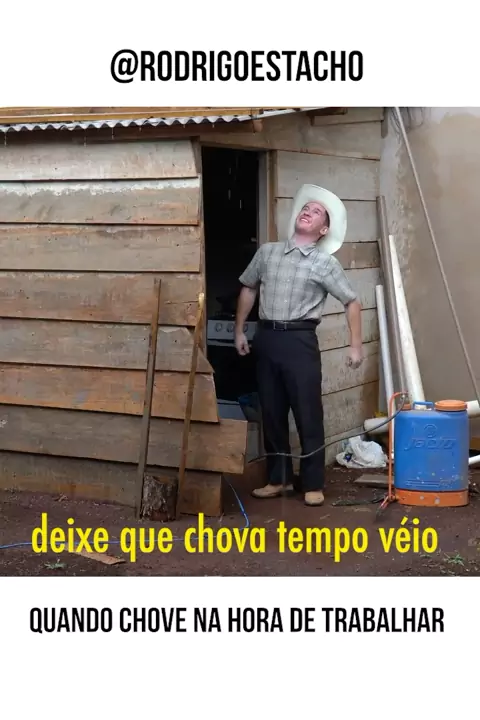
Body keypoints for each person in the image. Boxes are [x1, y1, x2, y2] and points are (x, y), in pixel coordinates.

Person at [235, 184, 363, 507]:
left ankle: (312, 483)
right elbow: (249, 288)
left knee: (308, 412)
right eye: (306, 207)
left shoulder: (325, 263)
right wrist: (239, 330)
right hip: (267, 338)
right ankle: (278, 479)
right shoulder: (267, 253)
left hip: (300, 340)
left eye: (317, 212)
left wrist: (355, 346)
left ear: (324, 230)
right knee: (271, 411)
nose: (308, 211)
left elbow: (351, 301)